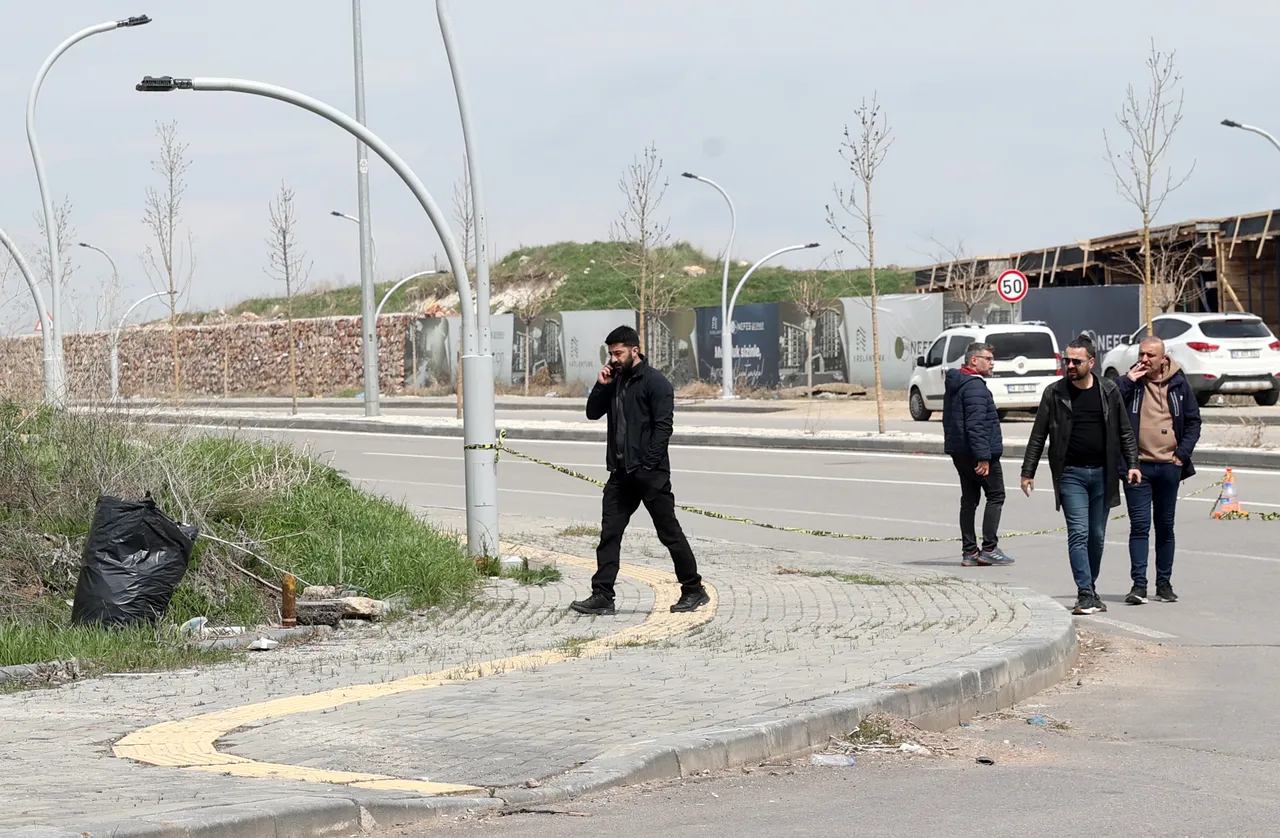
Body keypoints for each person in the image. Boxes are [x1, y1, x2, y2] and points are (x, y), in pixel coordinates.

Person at [570, 325, 710, 616]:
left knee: (669, 533)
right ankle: (603, 596)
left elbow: (663, 427)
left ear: (635, 350)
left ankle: (694, 590)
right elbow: (592, 413)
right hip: (620, 475)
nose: (614, 359)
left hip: (650, 474)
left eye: (618, 353)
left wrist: (648, 464)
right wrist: (601, 385)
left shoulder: (655, 382)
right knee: (610, 534)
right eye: (611, 353)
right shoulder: (615, 380)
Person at [1021, 336, 1142, 616]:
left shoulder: (1109, 390)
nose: (1070, 365)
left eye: (1076, 361)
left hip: (1103, 474)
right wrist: (1028, 471)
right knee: (1079, 533)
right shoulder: (1054, 393)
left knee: (1097, 536)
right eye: (1067, 361)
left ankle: (1091, 587)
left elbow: (1125, 431)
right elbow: (1039, 434)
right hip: (1070, 475)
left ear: (1091, 362)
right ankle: (1085, 592)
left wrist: (1133, 463)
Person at [1117, 336, 1201, 605]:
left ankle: (1164, 584)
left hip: (1168, 466)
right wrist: (1127, 381)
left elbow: (1193, 422)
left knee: (1165, 526)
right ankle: (1138, 585)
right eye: (1142, 354)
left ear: (1163, 358)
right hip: (1137, 468)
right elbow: (1108, 404)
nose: (1144, 360)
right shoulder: (1131, 381)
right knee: (1139, 526)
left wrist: (1182, 454)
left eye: (1150, 355)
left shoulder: (1178, 383)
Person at [942, 342, 1014, 567]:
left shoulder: (957, 382)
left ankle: (969, 552)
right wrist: (983, 456)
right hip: (978, 453)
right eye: (989, 359)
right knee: (996, 495)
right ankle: (989, 548)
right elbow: (976, 425)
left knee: (970, 500)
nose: (992, 363)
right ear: (974, 360)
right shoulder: (974, 386)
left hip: (961, 452)